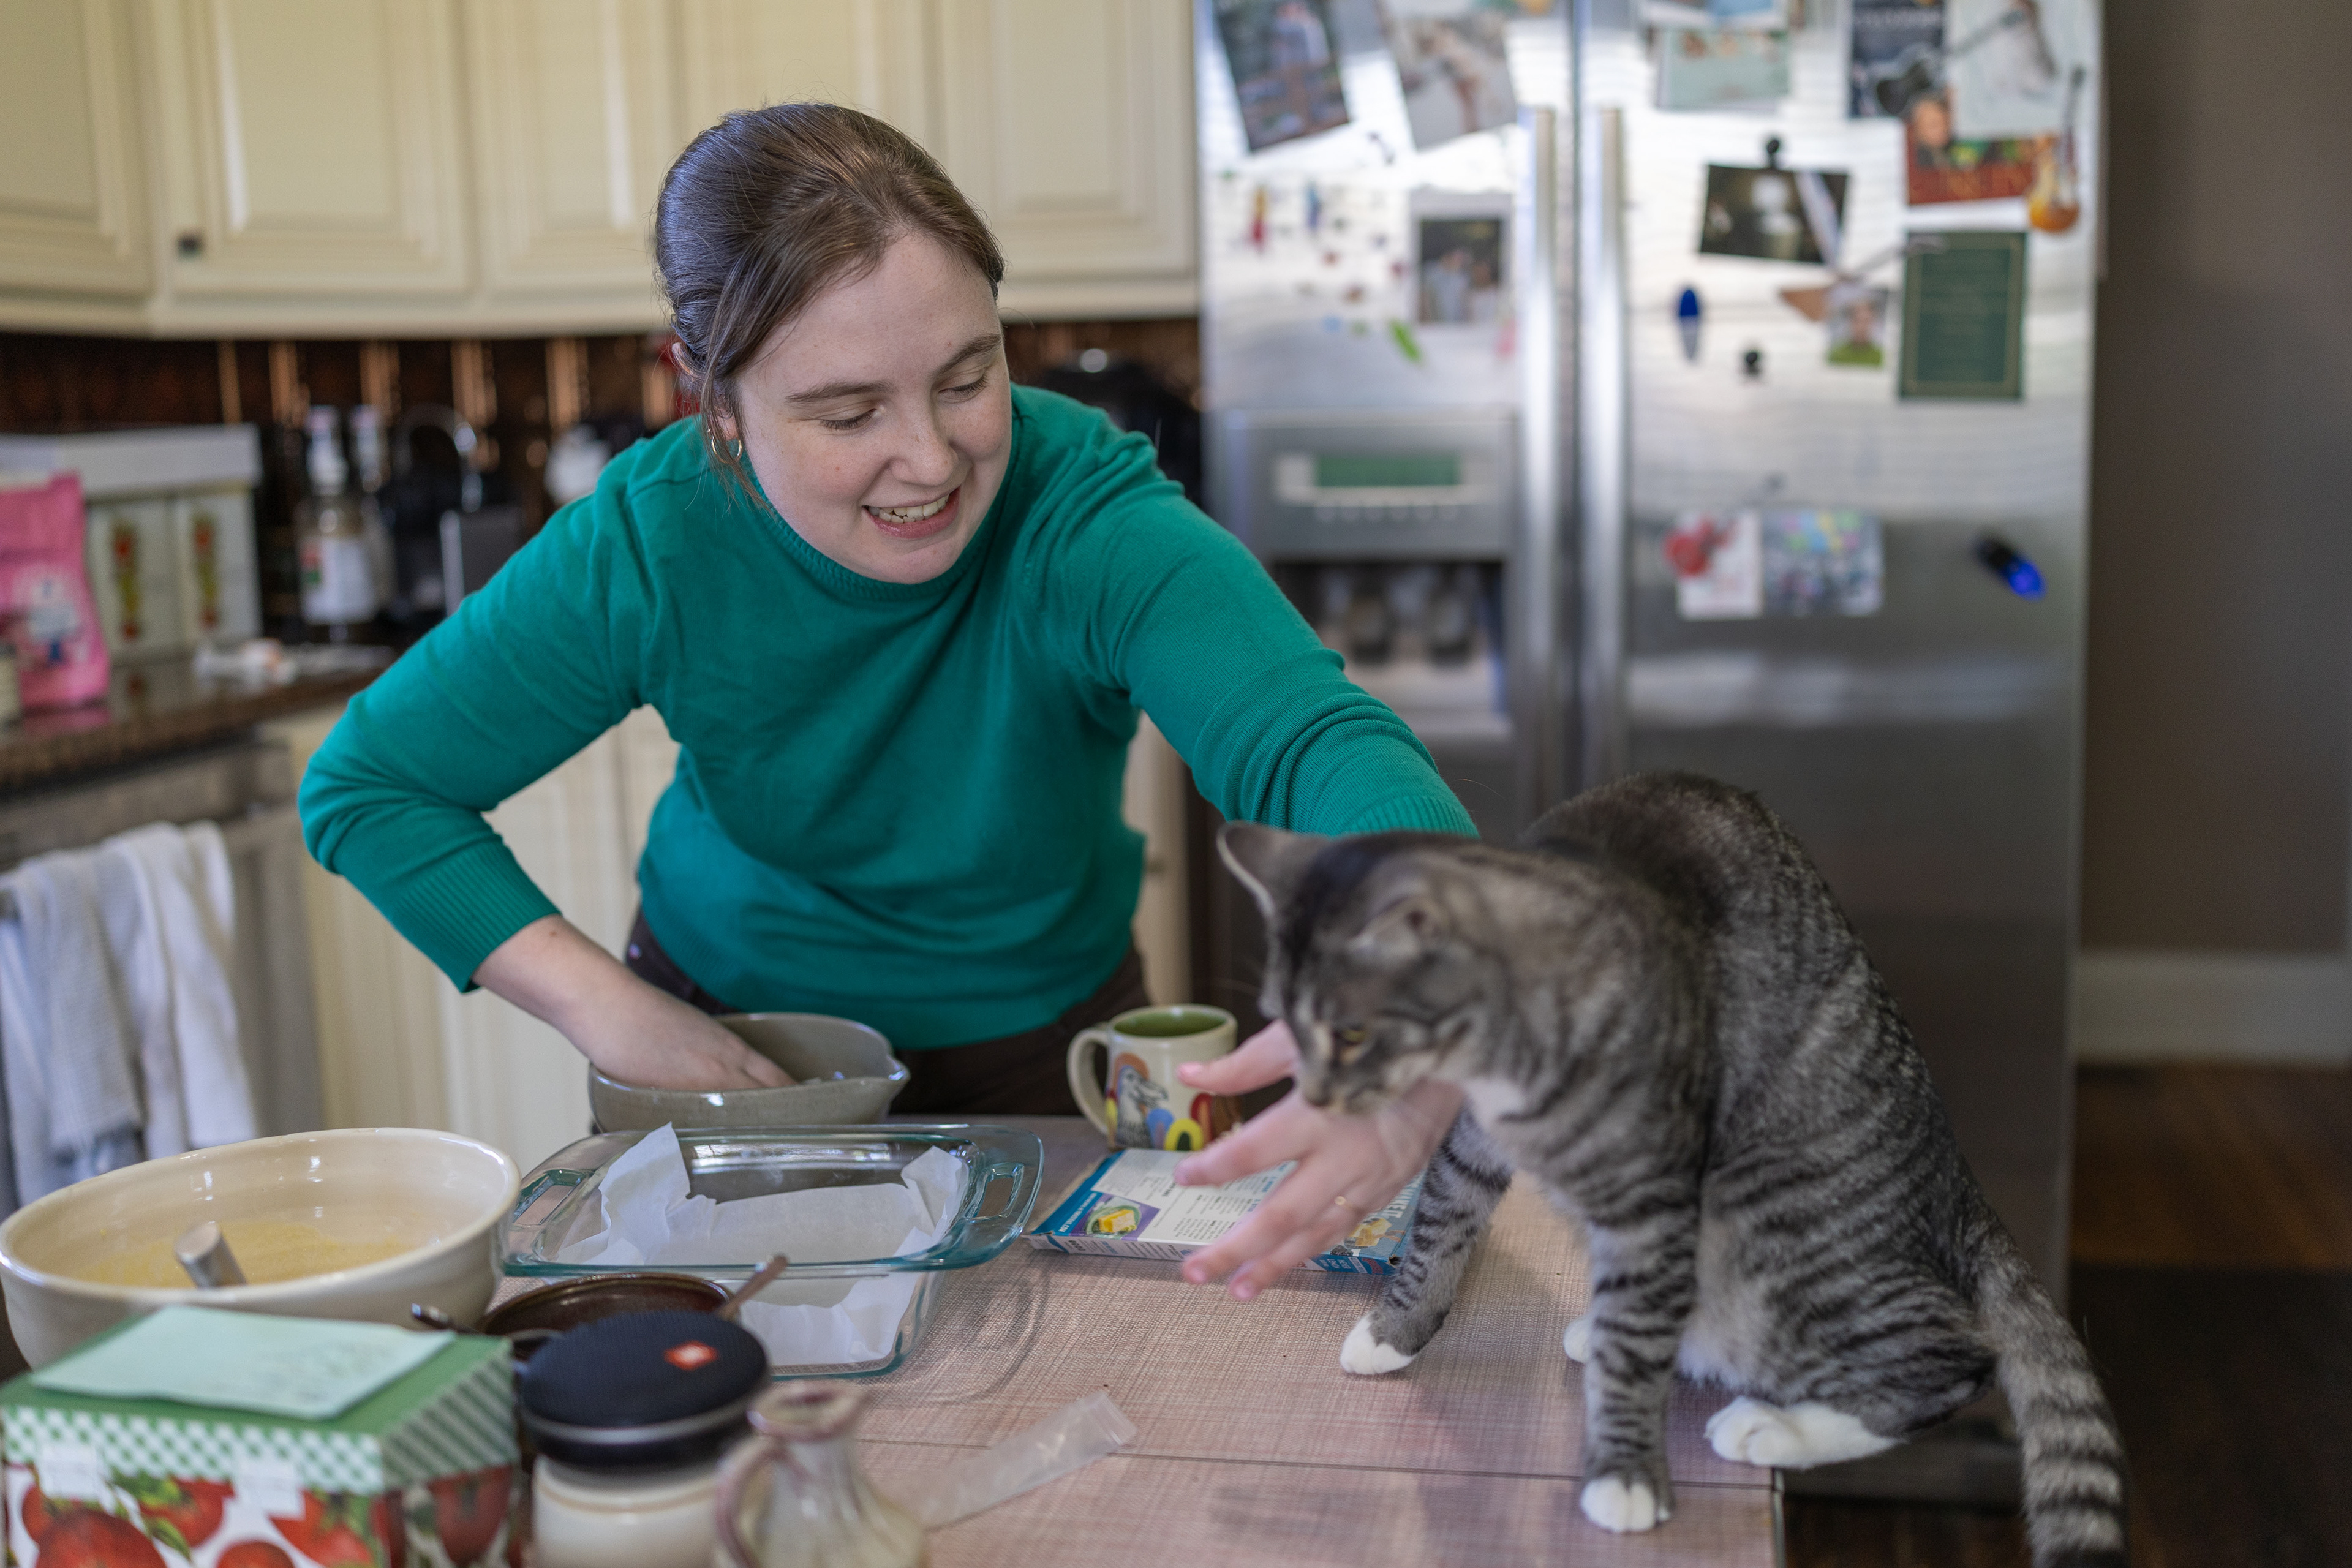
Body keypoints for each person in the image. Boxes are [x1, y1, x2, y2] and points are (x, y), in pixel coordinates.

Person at [297, 104, 1471, 1300]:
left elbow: (1315, 743)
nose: (933, 459)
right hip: (738, 1065)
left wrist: (1428, 985)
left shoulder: (1084, 514)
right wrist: (612, 1012)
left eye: (969, 378)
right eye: (849, 413)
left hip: (1045, 1065)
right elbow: (370, 785)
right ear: (709, 392)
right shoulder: (652, 543)